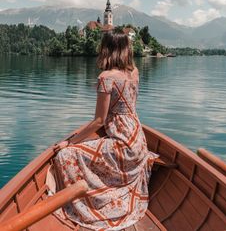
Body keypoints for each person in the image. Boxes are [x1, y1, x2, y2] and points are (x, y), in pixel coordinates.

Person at [53, 29, 159, 231]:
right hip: (138, 140)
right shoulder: (134, 73)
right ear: (126, 49)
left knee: (65, 156)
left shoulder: (106, 77)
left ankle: (90, 203)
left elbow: (99, 122)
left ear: (107, 49)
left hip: (123, 144)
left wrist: (70, 142)